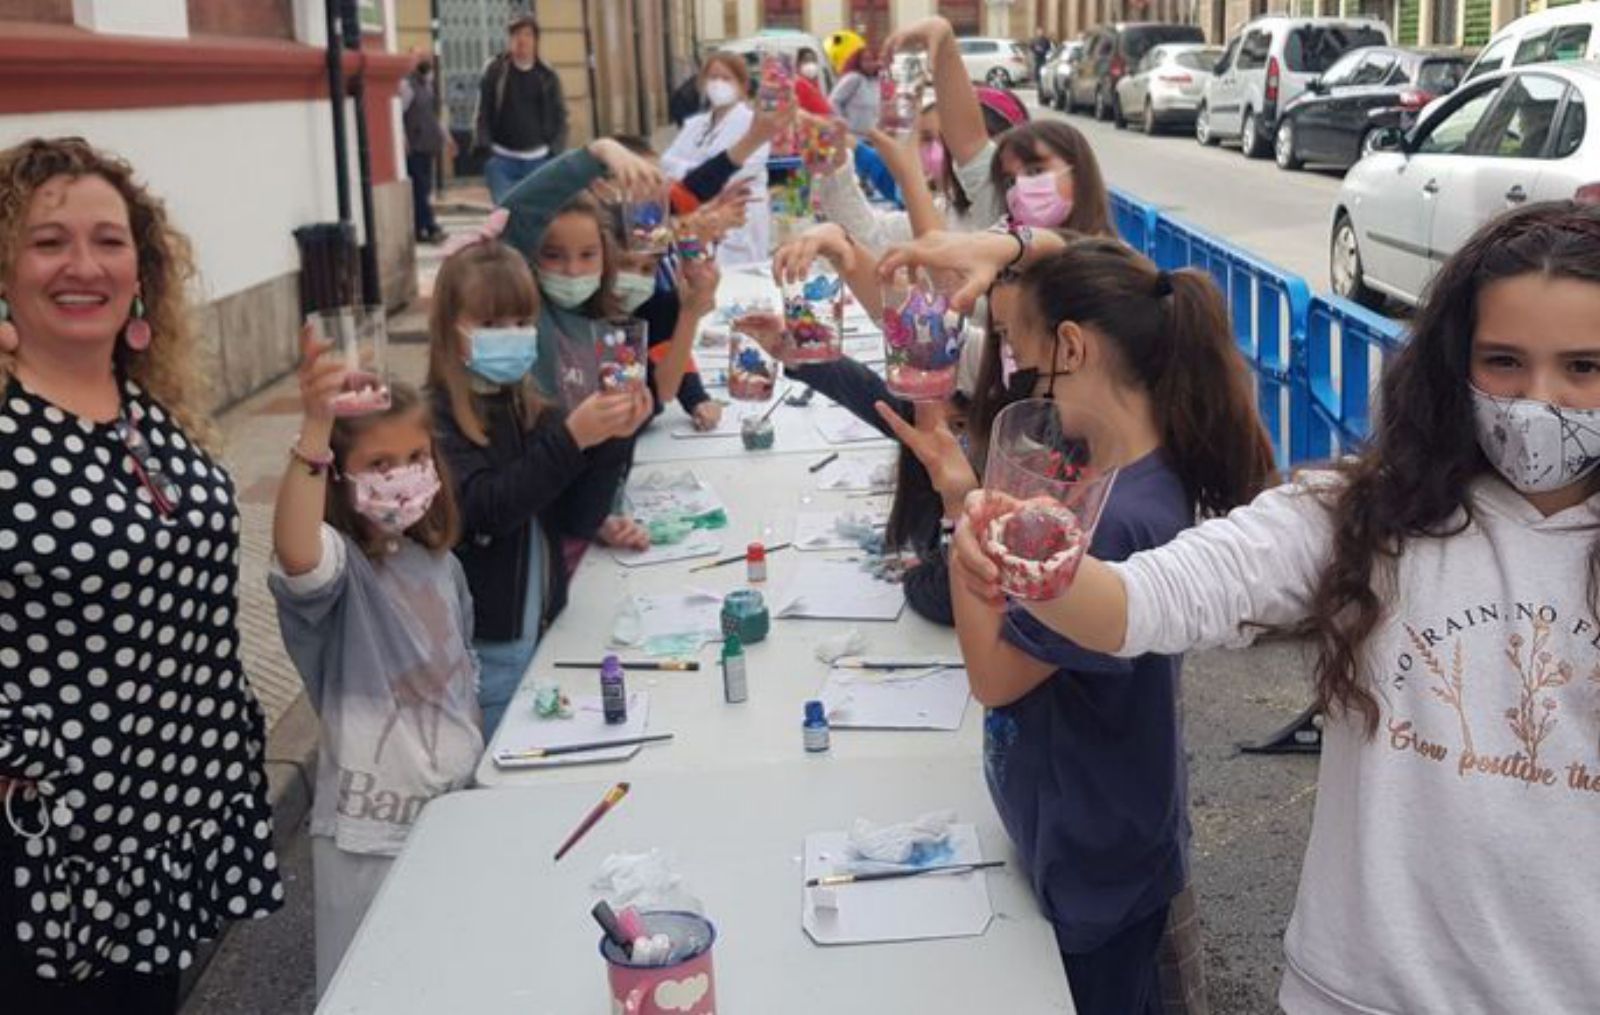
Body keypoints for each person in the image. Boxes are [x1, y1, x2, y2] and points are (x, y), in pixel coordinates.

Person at [960, 201, 1600, 1013]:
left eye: (1584, 367)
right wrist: (1030, 556)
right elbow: (1148, 598)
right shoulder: (1365, 515)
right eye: (1503, 362)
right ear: (1453, 363)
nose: (1537, 402)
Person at [0, 137, 282, 1012]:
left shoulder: (146, 408)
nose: (83, 264)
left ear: (142, 265)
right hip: (49, 851)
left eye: (109, 240)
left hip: (163, 823)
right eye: (48, 241)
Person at [269, 373, 480, 996]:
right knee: (376, 986)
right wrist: (314, 432)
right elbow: (298, 556)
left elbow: (463, 668)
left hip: (448, 812)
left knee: (446, 976)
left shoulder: (442, 563)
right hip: (369, 833)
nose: (405, 475)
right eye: (379, 463)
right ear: (337, 475)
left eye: (416, 458)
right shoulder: (341, 573)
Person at [427, 231, 649, 736]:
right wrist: (574, 439)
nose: (511, 333)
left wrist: (613, 438)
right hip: (484, 647)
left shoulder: (532, 408)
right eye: (490, 324)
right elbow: (488, 509)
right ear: (450, 330)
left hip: (545, 627)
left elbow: (576, 516)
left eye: (522, 322)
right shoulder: (436, 420)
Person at [660, 52, 771, 266]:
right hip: (700, 216)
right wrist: (702, 170)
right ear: (702, 83)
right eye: (713, 78)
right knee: (701, 273)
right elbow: (666, 162)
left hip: (740, 218)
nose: (718, 84)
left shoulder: (752, 124)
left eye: (726, 78)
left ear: (742, 85)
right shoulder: (696, 124)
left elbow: (737, 173)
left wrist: (690, 171)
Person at [475, 13, 568, 203]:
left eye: (527, 34)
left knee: (538, 214)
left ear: (535, 40)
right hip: (502, 160)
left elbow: (561, 115)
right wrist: (486, 149)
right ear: (509, 40)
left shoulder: (547, 75)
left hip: (539, 160)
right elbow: (482, 112)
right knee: (505, 214)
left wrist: (554, 151)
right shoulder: (495, 70)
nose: (521, 40)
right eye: (516, 34)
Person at [401, 56, 455, 244]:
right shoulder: (407, 86)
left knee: (423, 189)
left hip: (428, 145)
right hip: (414, 146)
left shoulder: (428, 87)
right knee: (420, 189)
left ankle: (419, 229)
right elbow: (398, 113)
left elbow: (434, 117)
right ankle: (431, 227)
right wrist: (403, 139)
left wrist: (448, 139)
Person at [829, 48, 883, 136]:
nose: (870, 64)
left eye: (873, 60)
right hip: (852, 135)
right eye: (866, 60)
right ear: (859, 62)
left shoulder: (875, 81)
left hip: (870, 136)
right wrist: (842, 122)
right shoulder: (854, 78)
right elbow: (834, 100)